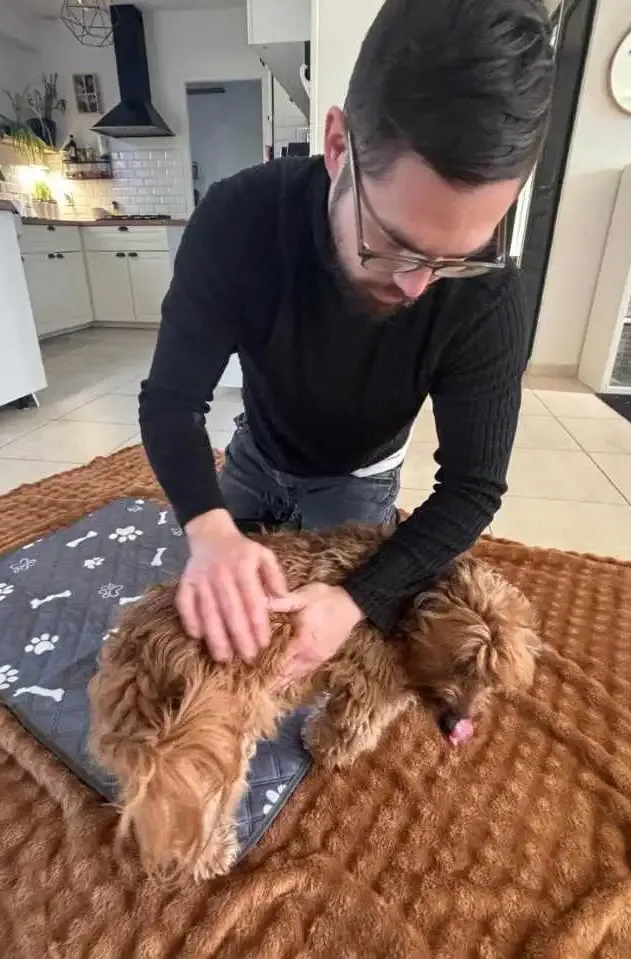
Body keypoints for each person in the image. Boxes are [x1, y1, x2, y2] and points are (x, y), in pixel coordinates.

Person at [139, 0, 554, 679]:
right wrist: (209, 530)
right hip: (256, 450)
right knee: (195, 621)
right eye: (394, 244)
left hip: (360, 477)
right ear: (337, 147)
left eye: (458, 258)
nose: (419, 287)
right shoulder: (240, 219)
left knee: (324, 656)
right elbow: (171, 403)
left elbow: (472, 487)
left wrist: (355, 598)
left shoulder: (490, 294)